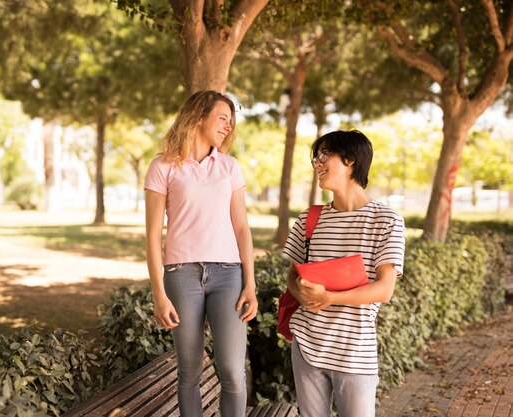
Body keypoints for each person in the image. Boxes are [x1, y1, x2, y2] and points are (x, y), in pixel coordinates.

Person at [144, 90, 258, 417]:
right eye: (222, 118)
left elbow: (242, 229)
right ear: (198, 117)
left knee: (233, 372)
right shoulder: (162, 166)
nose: (228, 126)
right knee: (189, 371)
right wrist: (159, 294)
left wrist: (249, 284)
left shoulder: (229, 167)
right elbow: (152, 236)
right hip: (181, 276)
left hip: (228, 275)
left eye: (230, 121)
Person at [282, 130, 405, 417]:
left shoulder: (386, 221)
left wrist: (329, 297)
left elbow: (384, 290)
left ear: (350, 160)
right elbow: (292, 275)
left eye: (324, 154)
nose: (317, 163)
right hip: (307, 347)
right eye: (316, 157)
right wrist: (302, 293)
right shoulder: (309, 218)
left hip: (355, 352)